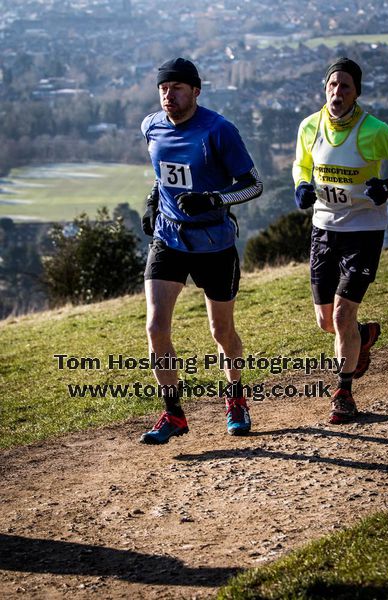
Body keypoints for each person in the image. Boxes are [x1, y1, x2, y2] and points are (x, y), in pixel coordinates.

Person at [140, 58, 263, 444]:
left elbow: (252, 185)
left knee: (221, 331)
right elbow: (164, 175)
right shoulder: (151, 126)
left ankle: (237, 398)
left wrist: (212, 199)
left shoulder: (219, 130)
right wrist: (153, 200)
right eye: (163, 87)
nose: (168, 94)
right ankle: (173, 414)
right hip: (169, 238)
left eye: (177, 87)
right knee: (155, 327)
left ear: (196, 91)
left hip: (214, 243)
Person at [293, 57, 388, 424]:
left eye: (346, 87)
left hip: (363, 230)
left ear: (357, 93)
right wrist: (302, 186)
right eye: (332, 85)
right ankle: (362, 337)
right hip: (324, 229)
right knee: (327, 321)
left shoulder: (375, 130)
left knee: (342, 313)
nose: (337, 93)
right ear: (325, 88)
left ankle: (343, 393)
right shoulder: (310, 126)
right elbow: (301, 164)